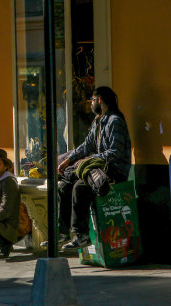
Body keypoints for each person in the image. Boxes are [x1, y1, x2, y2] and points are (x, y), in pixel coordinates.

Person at [55, 86, 131, 251]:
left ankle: (81, 236)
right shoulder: (98, 121)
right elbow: (86, 145)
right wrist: (68, 160)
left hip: (114, 170)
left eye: (92, 100)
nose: (90, 104)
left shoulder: (115, 121)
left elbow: (115, 153)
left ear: (100, 100)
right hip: (98, 168)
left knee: (80, 188)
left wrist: (91, 158)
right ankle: (62, 233)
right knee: (64, 186)